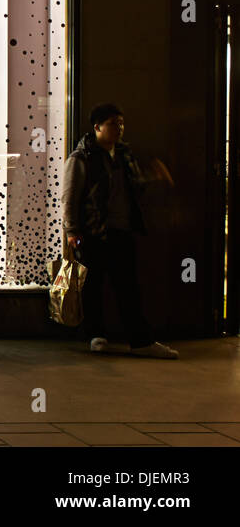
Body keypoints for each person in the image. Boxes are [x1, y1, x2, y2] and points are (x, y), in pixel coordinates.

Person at [62, 104, 177, 358]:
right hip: (94, 231)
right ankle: (96, 335)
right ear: (97, 127)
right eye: (113, 123)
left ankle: (141, 339)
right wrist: (72, 230)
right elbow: (69, 197)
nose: (119, 128)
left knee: (128, 287)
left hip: (122, 229)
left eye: (121, 123)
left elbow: (135, 186)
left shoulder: (124, 155)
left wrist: (153, 177)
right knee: (93, 285)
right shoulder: (82, 157)